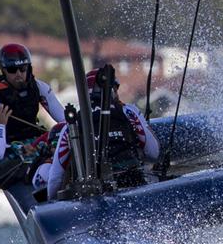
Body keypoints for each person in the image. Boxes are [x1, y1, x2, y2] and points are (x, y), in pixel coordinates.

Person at [47, 68, 161, 200]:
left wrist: (51, 201)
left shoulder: (71, 125)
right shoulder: (129, 112)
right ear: (111, 90)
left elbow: (55, 178)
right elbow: (153, 152)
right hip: (135, 187)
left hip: (93, 198)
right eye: (115, 89)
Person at [0, 43, 65, 143]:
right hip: (7, 146)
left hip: (35, 141)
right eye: (12, 70)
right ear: (3, 71)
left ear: (29, 69)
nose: (18, 74)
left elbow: (64, 120)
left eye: (23, 68)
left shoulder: (39, 87)